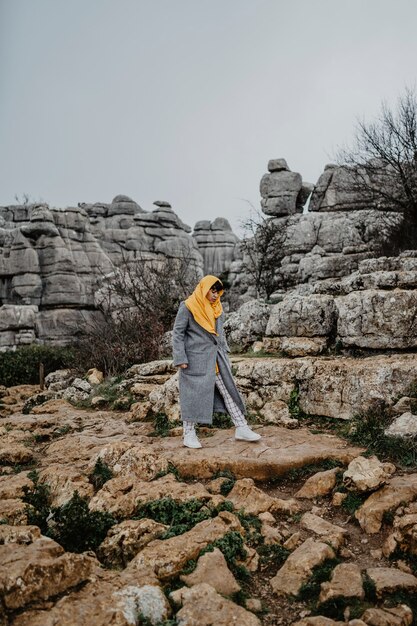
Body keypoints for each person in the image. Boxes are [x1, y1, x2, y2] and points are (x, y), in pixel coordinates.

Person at [172, 274, 261, 448]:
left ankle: (241, 426)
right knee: (192, 396)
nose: (214, 295)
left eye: (217, 291)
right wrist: (180, 358)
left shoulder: (217, 308)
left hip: (216, 359)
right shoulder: (188, 306)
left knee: (227, 391)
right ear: (204, 289)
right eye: (212, 291)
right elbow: (178, 333)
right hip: (194, 360)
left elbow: (219, 334)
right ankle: (188, 434)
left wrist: (225, 351)